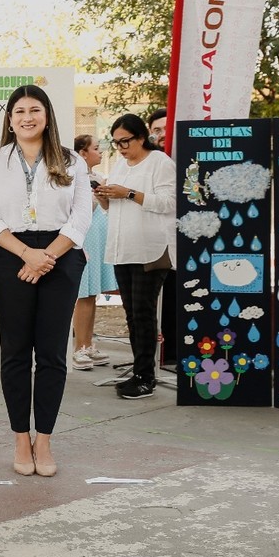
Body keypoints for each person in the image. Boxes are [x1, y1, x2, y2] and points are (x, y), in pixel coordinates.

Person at [0, 84, 90, 478]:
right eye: (19, 111)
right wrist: (27, 254)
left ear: (47, 116)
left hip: (61, 255)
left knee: (53, 354)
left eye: (35, 110)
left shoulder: (72, 161)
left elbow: (81, 219)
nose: (27, 117)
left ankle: (44, 439)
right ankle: (20, 439)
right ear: (9, 119)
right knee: (15, 352)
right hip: (12, 255)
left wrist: (48, 256)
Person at [97, 113, 176, 400]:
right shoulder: (119, 165)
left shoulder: (160, 163)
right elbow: (113, 208)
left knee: (143, 314)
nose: (121, 148)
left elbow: (169, 202)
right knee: (131, 315)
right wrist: (104, 196)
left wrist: (128, 193)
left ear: (141, 137)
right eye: (116, 143)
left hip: (149, 249)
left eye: (125, 141)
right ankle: (140, 371)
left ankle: (146, 377)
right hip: (122, 247)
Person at [71, 134, 116, 371]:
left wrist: (103, 196)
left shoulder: (98, 178)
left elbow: (106, 208)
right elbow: (79, 211)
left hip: (98, 239)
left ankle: (88, 344)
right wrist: (93, 197)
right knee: (83, 294)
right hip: (84, 240)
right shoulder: (72, 178)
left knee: (93, 294)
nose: (100, 153)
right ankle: (79, 347)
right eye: (96, 148)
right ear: (82, 153)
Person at [146, 107, 178, 368]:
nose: (162, 134)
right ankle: (160, 357)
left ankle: (176, 354)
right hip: (153, 243)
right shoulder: (145, 162)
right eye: (157, 130)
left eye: (167, 129)